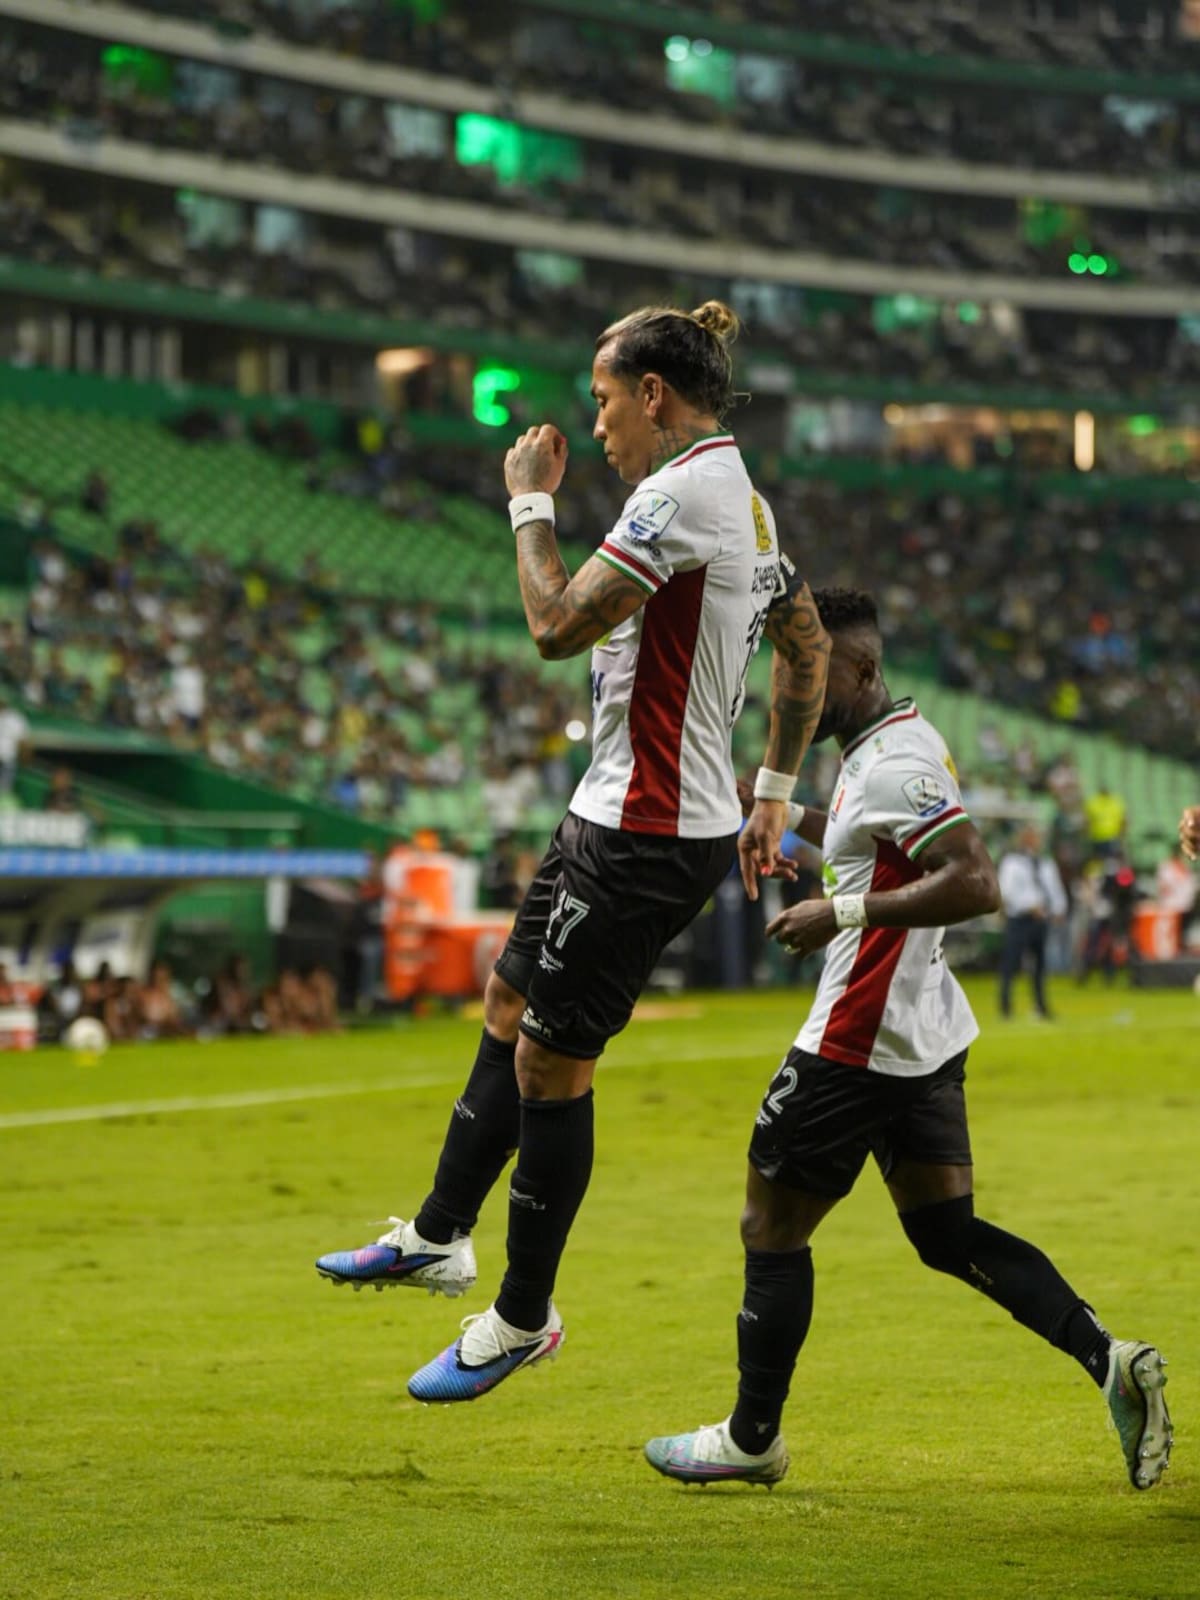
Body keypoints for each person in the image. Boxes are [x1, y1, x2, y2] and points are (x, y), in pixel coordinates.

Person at [315, 299, 831, 1404]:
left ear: (653, 395)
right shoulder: (746, 503)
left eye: (603, 401)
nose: (593, 423)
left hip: (645, 835)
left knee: (552, 1062)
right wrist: (775, 792)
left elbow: (554, 627)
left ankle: (521, 1314)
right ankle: (441, 1235)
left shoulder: (683, 494)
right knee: (506, 1012)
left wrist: (530, 501)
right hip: (611, 811)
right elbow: (805, 640)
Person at [643, 588, 1171, 1494]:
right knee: (945, 1232)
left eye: (808, 674)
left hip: (857, 1037)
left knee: (768, 1224)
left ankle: (750, 1437)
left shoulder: (895, 763)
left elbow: (974, 882)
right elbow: (869, 841)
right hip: (921, 1037)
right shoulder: (884, 747)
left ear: (860, 670)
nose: (793, 692)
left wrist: (837, 909)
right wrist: (781, 816)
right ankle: (1111, 1359)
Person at [996, 823, 1067, 1020]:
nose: (1034, 840)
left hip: (1040, 920)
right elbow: (1006, 891)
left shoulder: (1045, 863)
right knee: (1011, 963)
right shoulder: (1012, 862)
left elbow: (1054, 888)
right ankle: (1005, 1006)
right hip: (1019, 919)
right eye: (1030, 837)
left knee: (1040, 966)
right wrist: (1028, 906)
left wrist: (1059, 909)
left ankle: (1041, 1006)